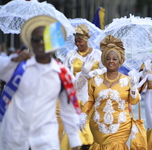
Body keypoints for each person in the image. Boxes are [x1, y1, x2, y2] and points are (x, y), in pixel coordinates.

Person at [0, 15, 81, 150]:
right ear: (31, 42)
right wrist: (12, 60)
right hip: (15, 140)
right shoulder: (17, 66)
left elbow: (69, 111)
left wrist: (75, 142)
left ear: (54, 42)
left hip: (45, 142)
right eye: (37, 39)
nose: (41, 43)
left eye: (46, 39)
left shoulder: (63, 74)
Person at [79, 35, 141, 150]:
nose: (111, 61)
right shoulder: (94, 80)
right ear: (104, 60)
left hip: (121, 125)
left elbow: (134, 101)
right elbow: (89, 100)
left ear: (120, 61)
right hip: (98, 125)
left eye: (114, 59)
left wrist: (133, 87)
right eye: (108, 58)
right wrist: (83, 114)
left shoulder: (128, 80)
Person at [59, 24, 106, 150]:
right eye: (76, 41)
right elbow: (64, 75)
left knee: (91, 131)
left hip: (93, 95)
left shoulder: (97, 54)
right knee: (77, 131)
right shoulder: (71, 55)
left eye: (80, 41)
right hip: (76, 94)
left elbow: (106, 70)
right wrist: (77, 77)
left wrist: (94, 73)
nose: (77, 44)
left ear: (86, 40)